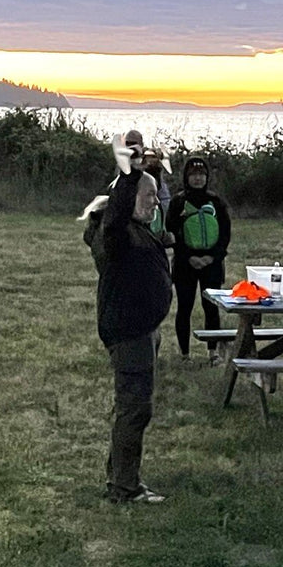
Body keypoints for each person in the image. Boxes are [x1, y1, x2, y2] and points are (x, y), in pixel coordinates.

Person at [84, 150, 174, 504]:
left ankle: (120, 479)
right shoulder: (115, 234)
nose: (156, 201)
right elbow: (119, 211)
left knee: (132, 407)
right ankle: (124, 487)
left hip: (143, 329)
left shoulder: (135, 230)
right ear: (128, 198)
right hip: (130, 332)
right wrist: (131, 175)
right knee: (134, 409)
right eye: (149, 195)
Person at [164, 156, 232, 363]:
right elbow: (171, 232)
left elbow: (225, 233)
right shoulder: (178, 202)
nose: (197, 179)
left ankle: (214, 353)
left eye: (201, 175)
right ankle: (184, 354)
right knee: (184, 307)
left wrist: (212, 257)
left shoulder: (217, 202)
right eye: (193, 175)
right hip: (186, 264)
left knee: (211, 307)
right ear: (186, 177)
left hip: (212, 264)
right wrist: (189, 257)